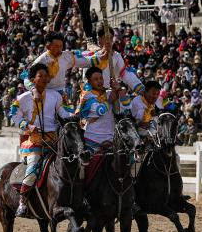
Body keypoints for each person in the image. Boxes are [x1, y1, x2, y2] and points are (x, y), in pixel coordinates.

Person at [9, 63, 71, 217]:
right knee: (33, 167)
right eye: (40, 76)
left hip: (54, 140)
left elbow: (62, 112)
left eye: (46, 76)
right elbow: (14, 115)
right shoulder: (23, 98)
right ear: (33, 79)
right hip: (33, 141)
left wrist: (72, 117)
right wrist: (27, 126)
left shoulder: (55, 96)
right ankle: (23, 202)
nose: (44, 78)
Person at [30, 32, 93, 97]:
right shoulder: (40, 61)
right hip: (45, 94)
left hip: (60, 93)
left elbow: (85, 61)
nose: (60, 49)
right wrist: (34, 90)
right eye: (56, 46)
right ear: (48, 46)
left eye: (61, 46)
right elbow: (27, 78)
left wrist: (98, 57)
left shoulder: (66, 56)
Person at [79, 66, 121, 155]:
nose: (100, 81)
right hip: (92, 140)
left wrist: (118, 89)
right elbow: (100, 111)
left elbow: (125, 107)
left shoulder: (109, 93)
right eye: (96, 79)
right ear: (89, 82)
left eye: (101, 78)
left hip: (110, 139)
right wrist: (109, 101)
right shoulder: (87, 96)